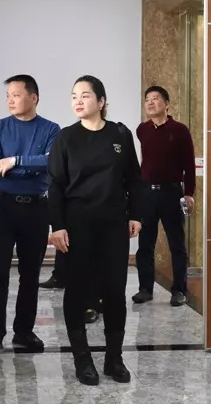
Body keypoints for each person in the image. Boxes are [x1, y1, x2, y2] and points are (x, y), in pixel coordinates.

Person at [48, 75, 143, 386]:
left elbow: (134, 178)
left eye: (85, 95)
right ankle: (82, 358)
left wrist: (136, 214)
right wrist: (57, 226)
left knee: (115, 291)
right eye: (74, 95)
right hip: (77, 225)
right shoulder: (65, 138)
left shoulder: (120, 134)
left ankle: (114, 358)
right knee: (77, 290)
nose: (78, 101)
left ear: (101, 102)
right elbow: (55, 186)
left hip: (113, 224)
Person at [0, 74, 60, 351]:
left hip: (36, 208)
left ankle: (24, 332)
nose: (10, 100)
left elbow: (50, 162)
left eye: (16, 95)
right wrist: (29, 167)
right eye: (8, 96)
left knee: (30, 273)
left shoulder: (51, 129)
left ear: (33, 97)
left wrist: (15, 161)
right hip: (0, 207)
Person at [133, 85, 196, 307]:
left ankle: (179, 290)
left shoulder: (180, 130)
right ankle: (145, 289)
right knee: (145, 244)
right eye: (147, 99)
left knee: (176, 244)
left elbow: (189, 165)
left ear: (167, 103)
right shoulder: (142, 130)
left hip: (172, 193)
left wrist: (189, 193)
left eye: (156, 98)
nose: (150, 102)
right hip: (147, 194)